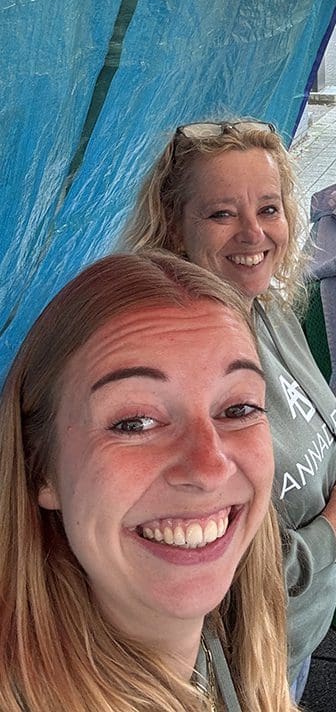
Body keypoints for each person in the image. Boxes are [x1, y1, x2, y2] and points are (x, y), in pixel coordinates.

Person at [124, 120, 336, 700]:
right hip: (235, 664)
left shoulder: (267, 309)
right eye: (222, 214)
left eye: (268, 209)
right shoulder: (175, 372)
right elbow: (202, 557)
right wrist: (330, 539)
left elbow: (324, 420)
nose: (254, 234)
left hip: (290, 639)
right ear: (174, 227)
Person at [0, 250, 295, 712]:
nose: (209, 468)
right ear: (42, 468)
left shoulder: (238, 639)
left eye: (238, 409)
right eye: (135, 422)